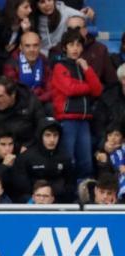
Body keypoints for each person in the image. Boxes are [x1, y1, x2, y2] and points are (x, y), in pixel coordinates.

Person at [50, 29, 102, 181]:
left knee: (86, 162)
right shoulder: (60, 66)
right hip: (67, 119)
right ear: (64, 47)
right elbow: (70, 89)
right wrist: (88, 86)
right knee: (69, 160)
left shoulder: (84, 66)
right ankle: (68, 191)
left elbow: (98, 90)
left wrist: (87, 69)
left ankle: (84, 190)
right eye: (71, 45)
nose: (75, 48)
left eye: (78, 45)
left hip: (84, 119)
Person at [15, 118, 73, 202]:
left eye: (55, 135)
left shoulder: (65, 157)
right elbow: (22, 187)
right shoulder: (26, 157)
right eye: (48, 135)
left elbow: (70, 185)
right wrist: (39, 198)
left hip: (58, 202)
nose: (52, 140)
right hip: (33, 202)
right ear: (40, 136)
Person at [0, 76, 46, 150]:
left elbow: (42, 129)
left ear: (13, 95)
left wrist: (28, 147)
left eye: (0, 96)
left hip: (27, 147)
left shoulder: (31, 103)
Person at [4, 31, 52, 104]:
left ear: (40, 46)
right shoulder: (11, 64)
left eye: (35, 45)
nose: (32, 49)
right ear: (21, 47)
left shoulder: (44, 60)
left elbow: (50, 88)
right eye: (27, 46)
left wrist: (38, 100)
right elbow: (14, 91)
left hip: (40, 102)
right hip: (20, 104)